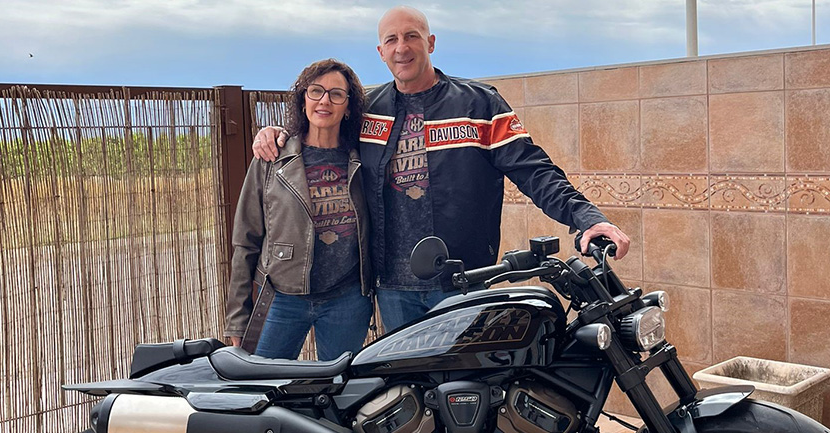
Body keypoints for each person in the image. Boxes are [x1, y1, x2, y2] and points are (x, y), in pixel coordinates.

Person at [253, 7, 629, 332]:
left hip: (463, 280)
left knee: (466, 392)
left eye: (411, 36)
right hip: (392, 288)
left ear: (430, 43)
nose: (402, 47)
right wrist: (280, 135)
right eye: (392, 39)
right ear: (381, 52)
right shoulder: (368, 111)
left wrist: (586, 217)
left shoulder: (480, 104)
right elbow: (323, 135)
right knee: (409, 395)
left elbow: (534, 170)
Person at [226, 59, 372, 360]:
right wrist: (237, 318)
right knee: (262, 388)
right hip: (282, 298)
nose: (324, 101)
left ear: (348, 107)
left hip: (346, 300)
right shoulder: (272, 158)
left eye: (336, 94)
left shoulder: (364, 158)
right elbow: (245, 241)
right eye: (316, 91)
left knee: (338, 392)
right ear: (302, 98)